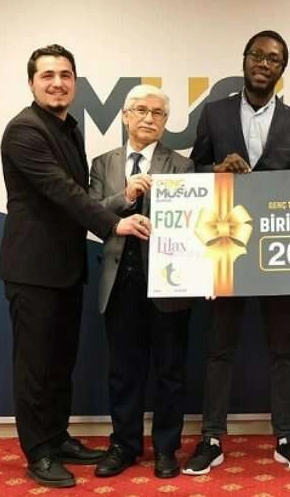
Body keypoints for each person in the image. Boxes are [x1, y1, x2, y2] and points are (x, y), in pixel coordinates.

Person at [0, 44, 151, 488]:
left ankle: (57, 437)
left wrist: (119, 199)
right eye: (47, 75)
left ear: (75, 83)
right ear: (32, 83)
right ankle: (39, 452)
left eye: (65, 75)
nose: (57, 83)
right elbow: (62, 191)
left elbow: (79, 194)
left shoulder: (69, 128)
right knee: (35, 367)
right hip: (32, 270)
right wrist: (115, 224)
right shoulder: (23, 131)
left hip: (65, 267)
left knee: (60, 362)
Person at [182, 30, 290, 475]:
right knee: (218, 347)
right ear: (244, 59)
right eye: (257, 55)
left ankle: (286, 436)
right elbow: (193, 171)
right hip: (225, 246)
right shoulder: (214, 113)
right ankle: (211, 437)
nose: (263, 63)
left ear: (282, 70)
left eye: (273, 59)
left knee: (285, 350)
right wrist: (216, 171)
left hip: (279, 252)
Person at [88, 85, 193, 479]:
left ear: (166, 122)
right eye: (141, 110)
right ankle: (124, 445)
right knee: (123, 372)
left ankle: (166, 449)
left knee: (170, 371)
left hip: (169, 282)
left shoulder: (182, 165)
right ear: (124, 115)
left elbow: (193, 222)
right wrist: (125, 195)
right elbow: (91, 214)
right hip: (120, 283)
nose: (149, 118)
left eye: (158, 113)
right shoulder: (103, 164)